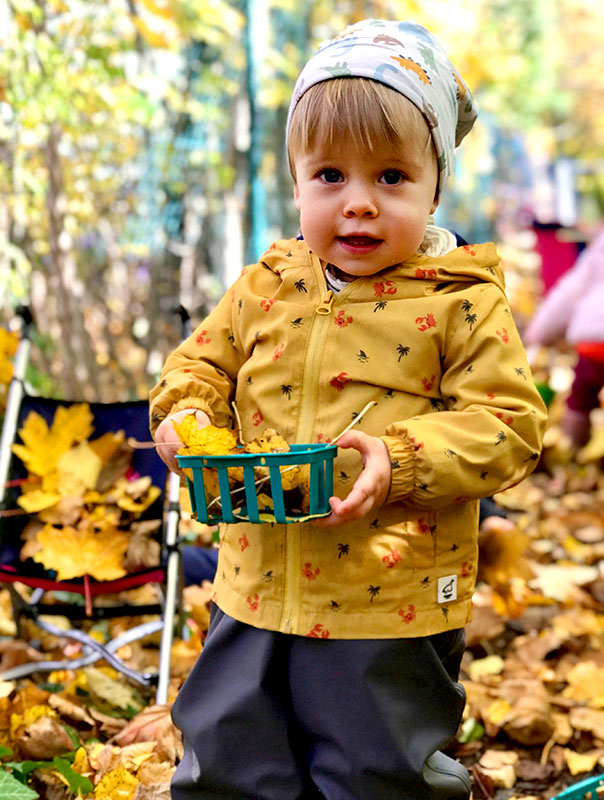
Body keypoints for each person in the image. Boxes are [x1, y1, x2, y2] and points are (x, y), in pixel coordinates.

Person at [150, 19, 546, 800]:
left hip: (387, 602)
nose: (358, 205)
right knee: (229, 753)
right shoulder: (267, 285)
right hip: (256, 579)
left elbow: (508, 426)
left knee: (375, 771)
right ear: (296, 180)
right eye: (330, 175)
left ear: (437, 183)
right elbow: (198, 364)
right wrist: (187, 415)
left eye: (391, 178)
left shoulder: (461, 302)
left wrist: (399, 458)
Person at [524, 226, 604, 448]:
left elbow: (571, 292)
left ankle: (574, 454)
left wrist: (541, 331)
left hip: (594, 342)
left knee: (580, 400)